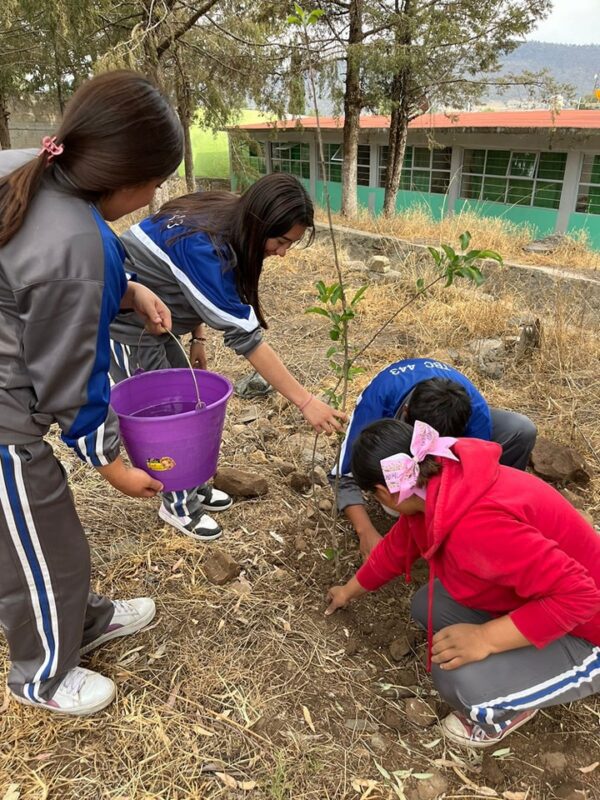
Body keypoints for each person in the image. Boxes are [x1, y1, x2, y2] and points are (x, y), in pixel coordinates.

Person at [0, 71, 184, 715]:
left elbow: (32, 271)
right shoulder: (76, 243)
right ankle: (42, 675)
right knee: (35, 541)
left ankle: (83, 618)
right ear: (122, 177)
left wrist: (128, 287)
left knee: (49, 538)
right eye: (156, 182)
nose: (154, 195)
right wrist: (111, 463)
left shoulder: (31, 167)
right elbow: (70, 380)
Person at [325, 418, 600, 748]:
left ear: (384, 492)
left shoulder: (476, 526)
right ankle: (522, 661)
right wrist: (348, 592)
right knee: (431, 603)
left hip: (588, 628)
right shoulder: (440, 485)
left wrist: (486, 638)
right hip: (546, 596)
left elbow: (581, 596)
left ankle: (505, 710)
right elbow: (394, 551)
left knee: (458, 680)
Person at [110, 173, 347, 542]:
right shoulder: (207, 249)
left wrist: (197, 337)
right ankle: (177, 504)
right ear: (259, 222)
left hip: (158, 322)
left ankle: (189, 484)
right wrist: (306, 401)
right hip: (123, 327)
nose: (282, 252)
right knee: (165, 418)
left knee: (185, 402)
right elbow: (247, 340)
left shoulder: (224, 213)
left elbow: (180, 282)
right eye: (281, 241)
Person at [330, 358, 537, 556]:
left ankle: (498, 512)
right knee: (397, 508)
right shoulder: (377, 403)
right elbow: (343, 476)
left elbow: (473, 473)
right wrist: (365, 531)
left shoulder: (475, 413)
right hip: (391, 405)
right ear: (406, 412)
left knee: (521, 429)